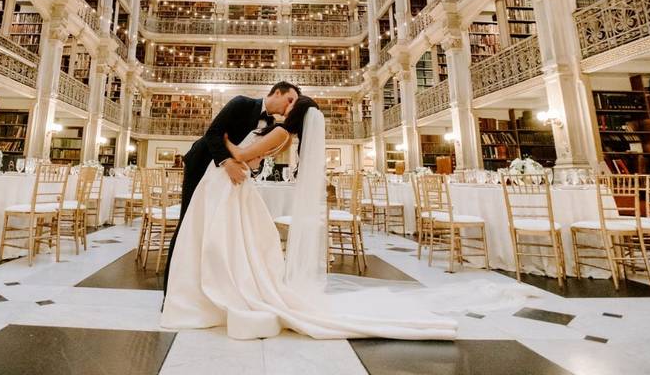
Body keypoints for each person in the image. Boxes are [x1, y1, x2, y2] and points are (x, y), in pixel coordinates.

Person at [161, 97, 529, 341]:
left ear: (293, 108)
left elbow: (242, 152)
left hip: (229, 181)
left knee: (222, 239)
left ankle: (216, 287)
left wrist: (229, 149)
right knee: (237, 241)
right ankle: (229, 283)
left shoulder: (278, 131)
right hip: (231, 181)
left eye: (288, 104)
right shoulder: (287, 137)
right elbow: (251, 157)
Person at [162, 81, 301, 293]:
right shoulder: (241, 103)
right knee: (188, 224)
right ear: (277, 92)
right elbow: (213, 133)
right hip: (202, 165)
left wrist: (251, 165)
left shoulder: (273, 125)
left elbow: (256, 156)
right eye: (290, 99)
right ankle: (170, 291)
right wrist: (227, 162)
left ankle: (212, 287)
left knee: (217, 230)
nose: (290, 105)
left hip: (226, 179)